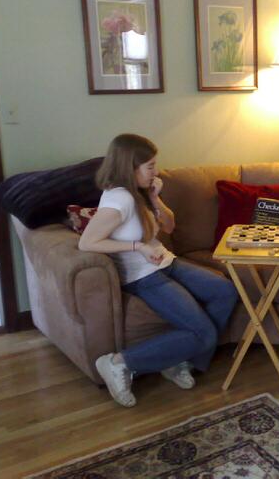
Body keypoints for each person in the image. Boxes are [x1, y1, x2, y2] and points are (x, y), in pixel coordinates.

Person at [79, 134, 238, 407]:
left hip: (165, 261)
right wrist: (137, 246)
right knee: (203, 333)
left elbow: (169, 227)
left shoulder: (138, 191)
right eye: (150, 166)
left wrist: (154, 197)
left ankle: (179, 362)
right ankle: (119, 362)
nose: (156, 171)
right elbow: (87, 242)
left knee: (225, 291)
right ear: (130, 167)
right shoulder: (119, 200)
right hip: (142, 277)